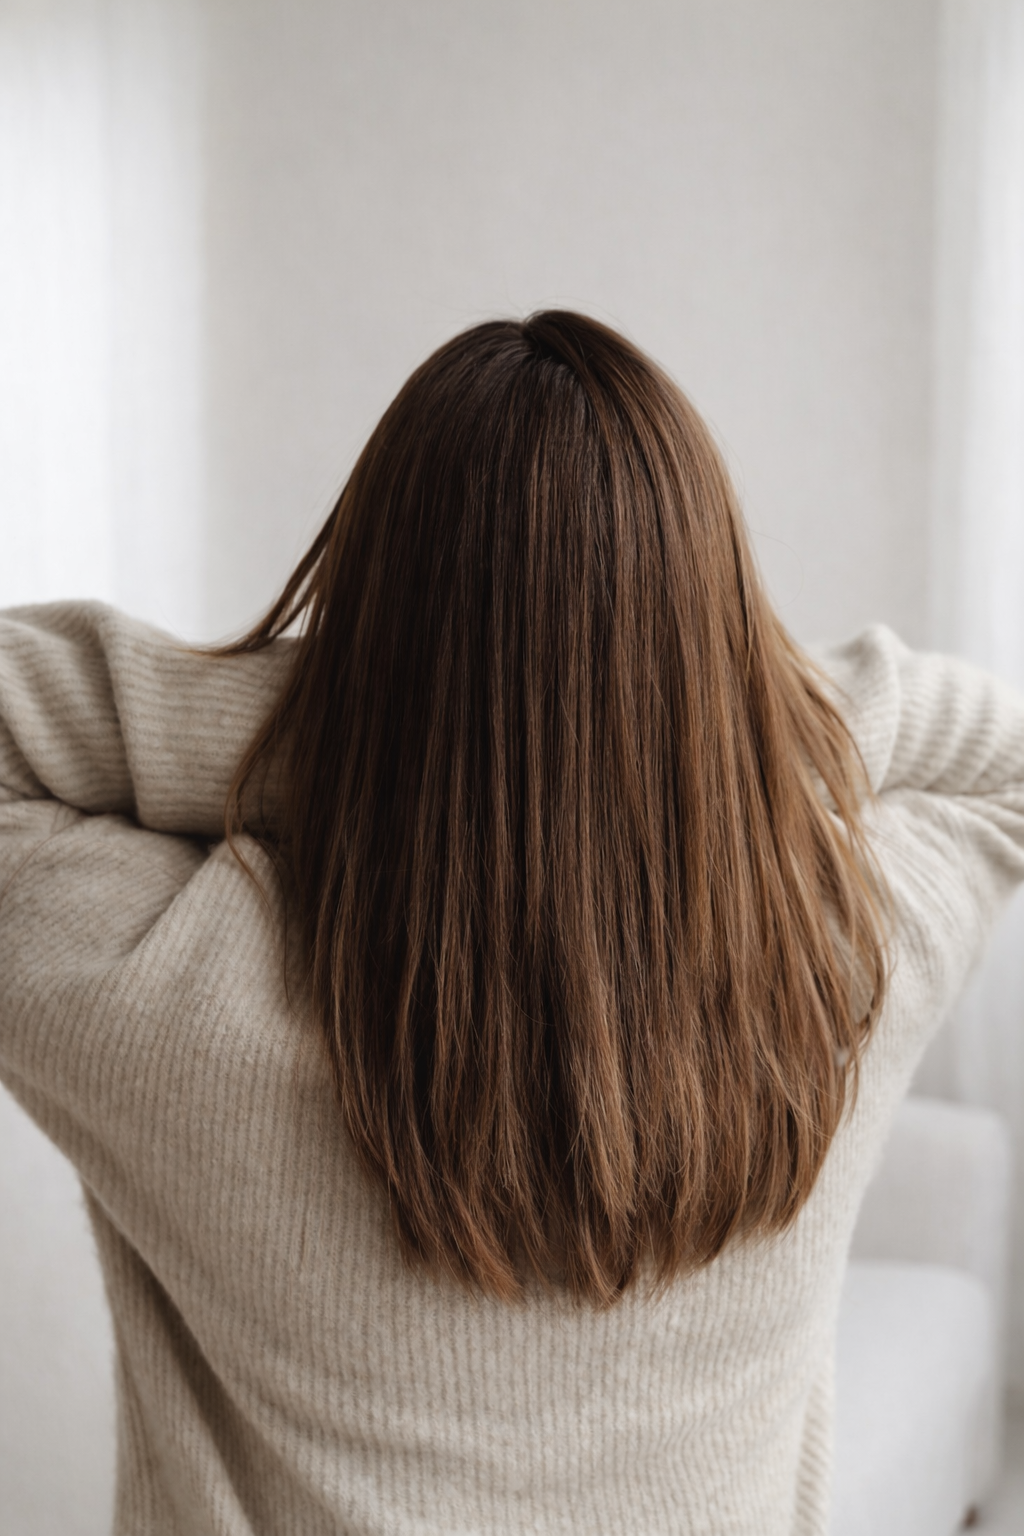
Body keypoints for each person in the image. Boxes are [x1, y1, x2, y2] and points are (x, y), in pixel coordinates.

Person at [1, 310, 1022, 1535]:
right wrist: (693, 726)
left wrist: (359, 731)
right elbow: (1001, 758)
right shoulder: (838, 968)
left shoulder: (176, 997)